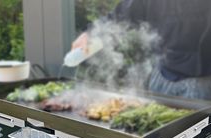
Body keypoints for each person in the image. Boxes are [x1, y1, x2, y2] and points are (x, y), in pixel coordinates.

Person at [72, 0, 211, 100]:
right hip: (163, 77)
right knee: (157, 134)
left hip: (205, 83)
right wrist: (90, 34)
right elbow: (121, 14)